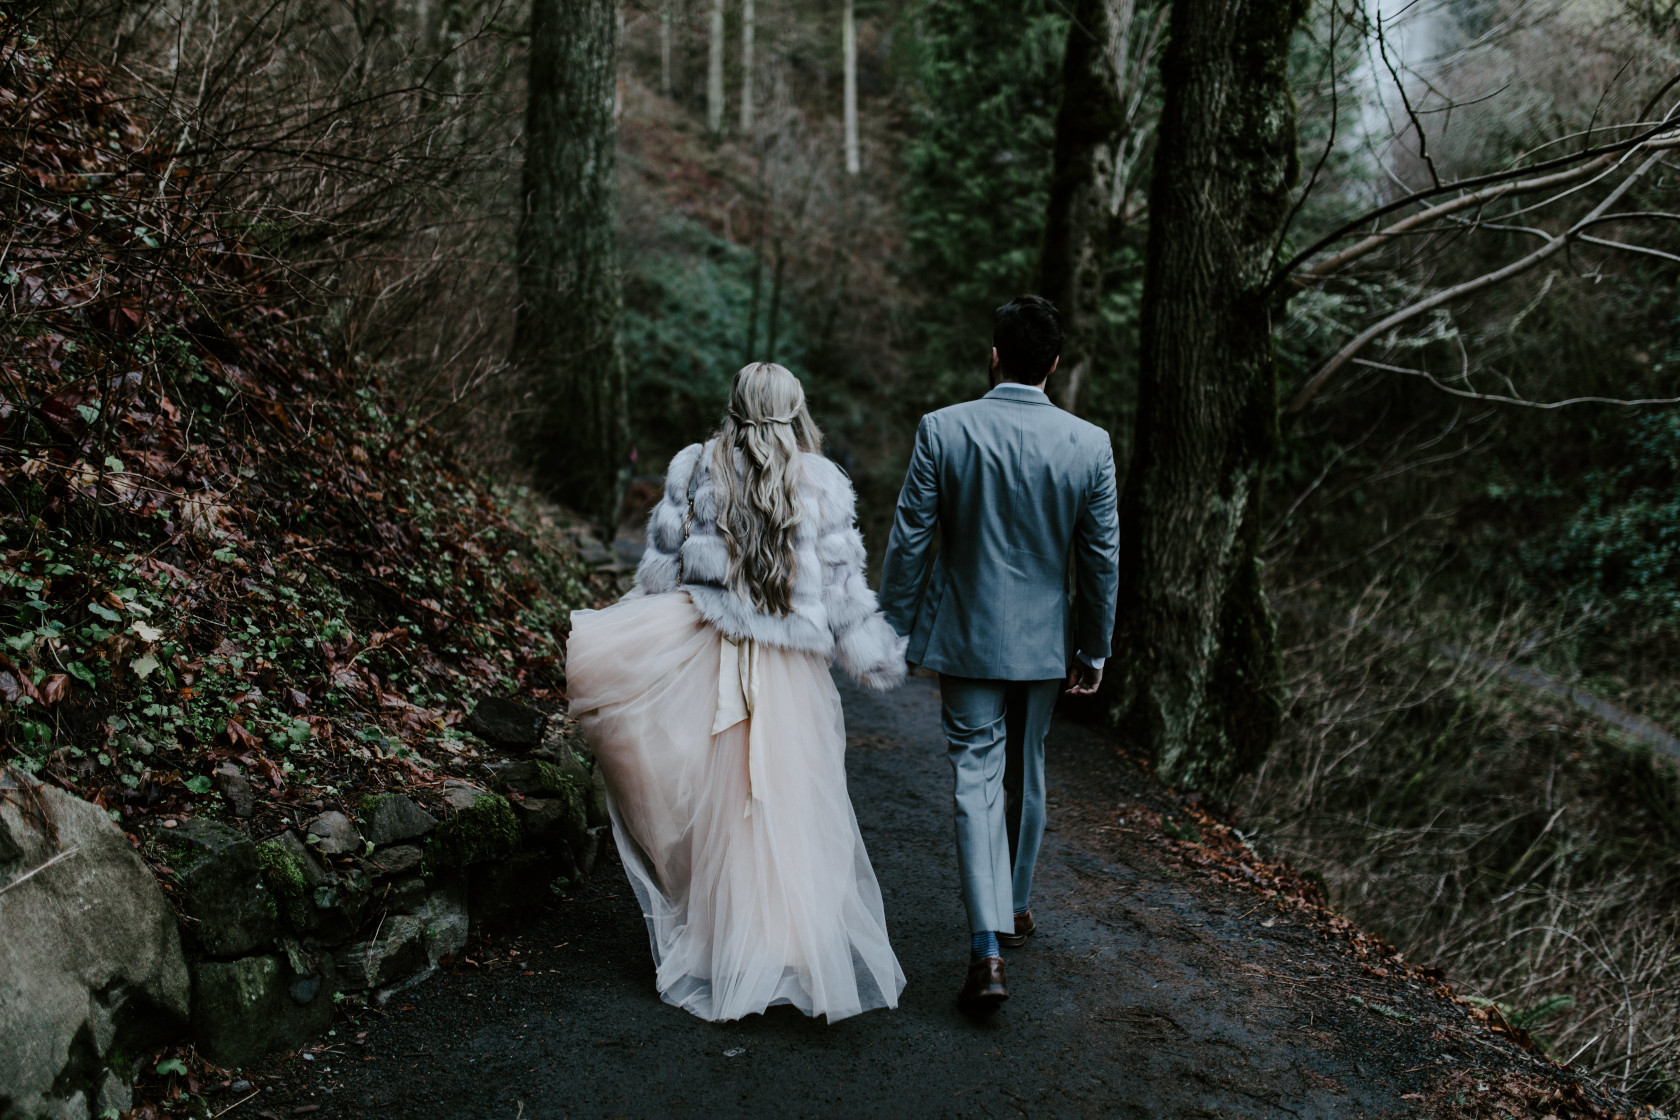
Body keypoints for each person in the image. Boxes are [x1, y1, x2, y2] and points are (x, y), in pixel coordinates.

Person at [565, 361, 909, 1023]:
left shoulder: (697, 466)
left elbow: (662, 574)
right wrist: (874, 657)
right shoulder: (821, 480)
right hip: (792, 675)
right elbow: (842, 595)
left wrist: (636, 636)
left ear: (736, 406)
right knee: (788, 802)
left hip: (715, 657)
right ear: (794, 407)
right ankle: (782, 945)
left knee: (722, 805)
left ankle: (727, 944)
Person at [878, 295, 1120, 1015]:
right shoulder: (1090, 444)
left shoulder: (943, 430)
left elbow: (911, 539)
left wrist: (889, 628)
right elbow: (1100, 557)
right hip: (1047, 639)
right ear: (1053, 364)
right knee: (1030, 763)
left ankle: (985, 948)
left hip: (969, 635)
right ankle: (1013, 907)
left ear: (994, 355)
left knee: (976, 778)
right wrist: (1095, 646)